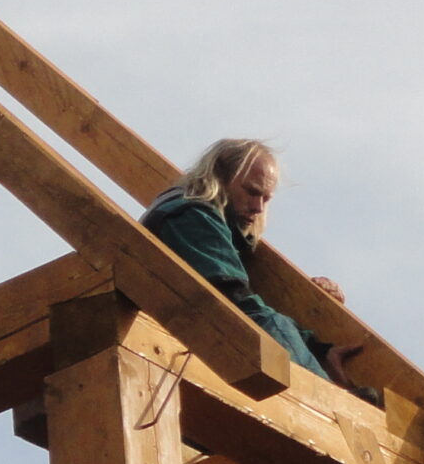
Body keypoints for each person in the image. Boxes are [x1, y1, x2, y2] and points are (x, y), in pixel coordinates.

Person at [142, 138, 364, 390]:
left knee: (272, 325)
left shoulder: (212, 224)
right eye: (252, 192)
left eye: (266, 199)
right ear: (220, 178)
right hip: (168, 334)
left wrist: (318, 350)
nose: (258, 207)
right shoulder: (191, 216)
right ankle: (334, 405)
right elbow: (234, 298)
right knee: (270, 325)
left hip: (182, 334)